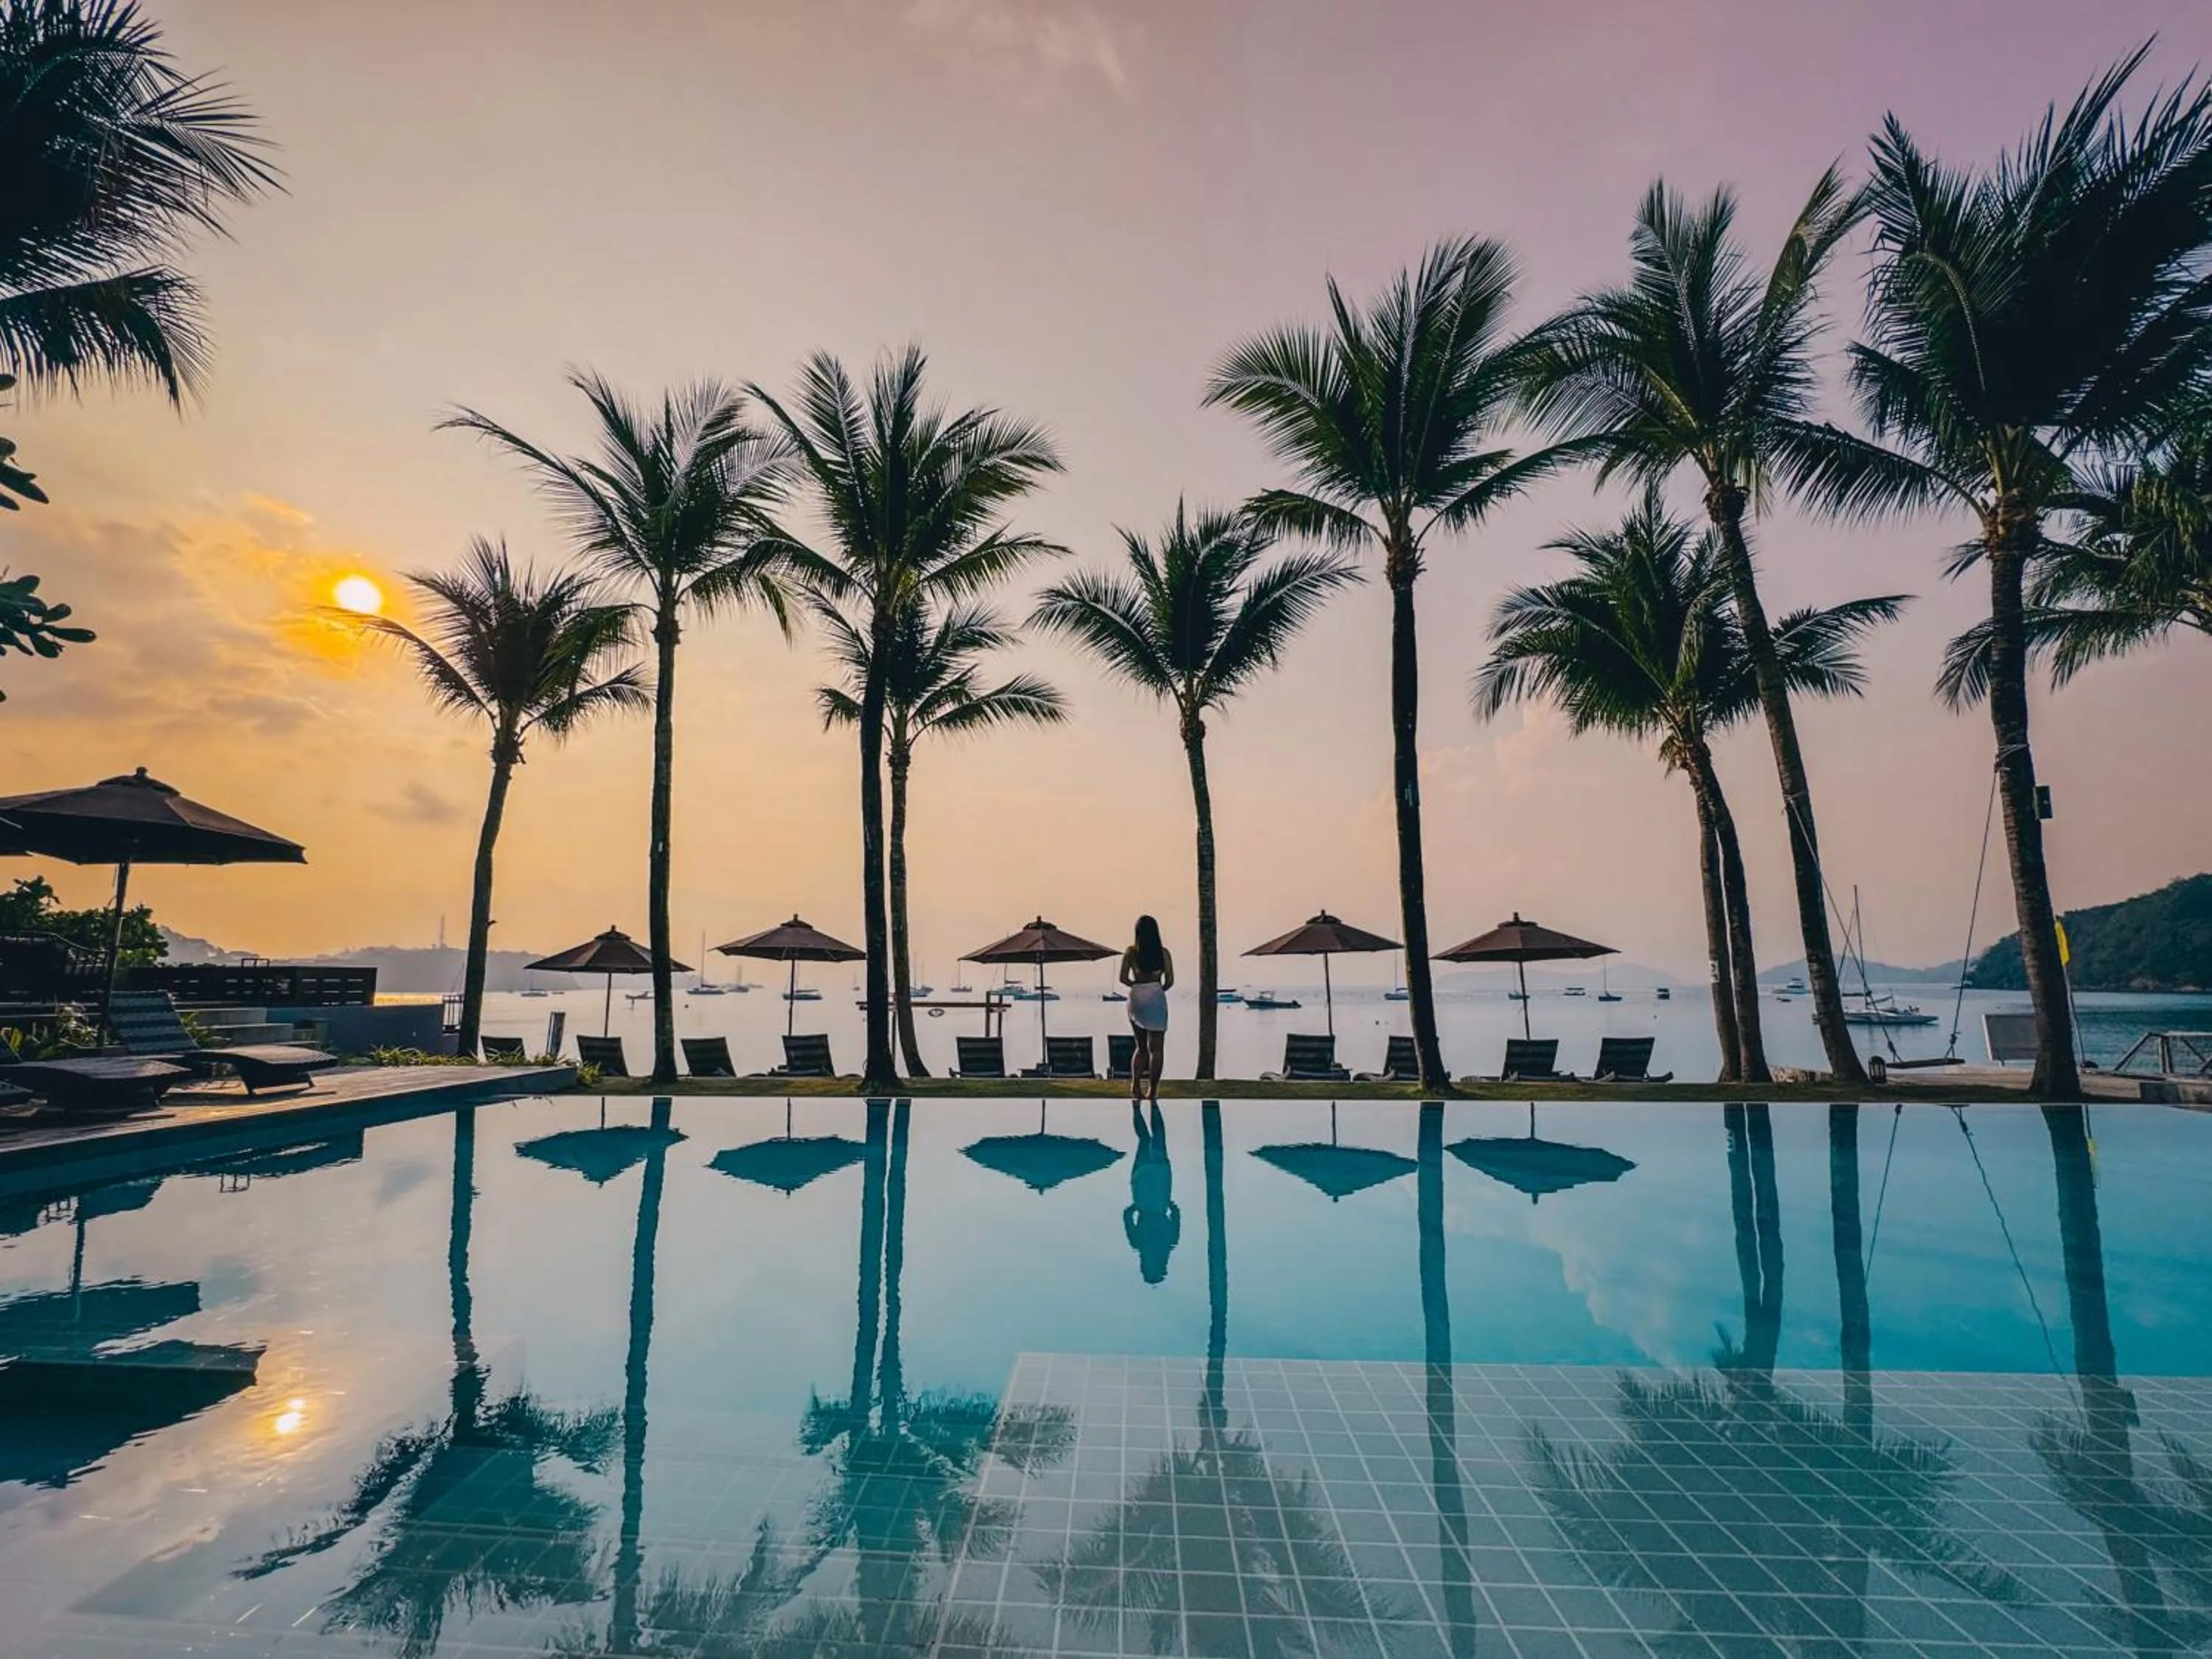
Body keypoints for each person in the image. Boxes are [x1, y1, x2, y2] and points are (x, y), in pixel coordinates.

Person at [1124, 1099, 1180, 1284]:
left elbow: (1176, 1214)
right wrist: (1137, 1204)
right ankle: (1138, 1108)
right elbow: (1127, 1215)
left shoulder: (1169, 1242)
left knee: (1157, 1137)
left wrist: (1167, 1201)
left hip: (1160, 1187)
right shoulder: (1138, 1243)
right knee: (1145, 1140)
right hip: (1143, 1190)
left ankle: (1151, 1106)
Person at [1119, 914, 1172, 1105]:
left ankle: (1135, 1086)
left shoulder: (1131, 953)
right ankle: (1153, 1090)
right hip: (1155, 996)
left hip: (1137, 998)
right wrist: (1156, 989)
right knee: (1156, 1049)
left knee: (1141, 1047)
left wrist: (1137, 986)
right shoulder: (1163, 953)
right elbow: (1170, 981)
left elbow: (1123, 978)